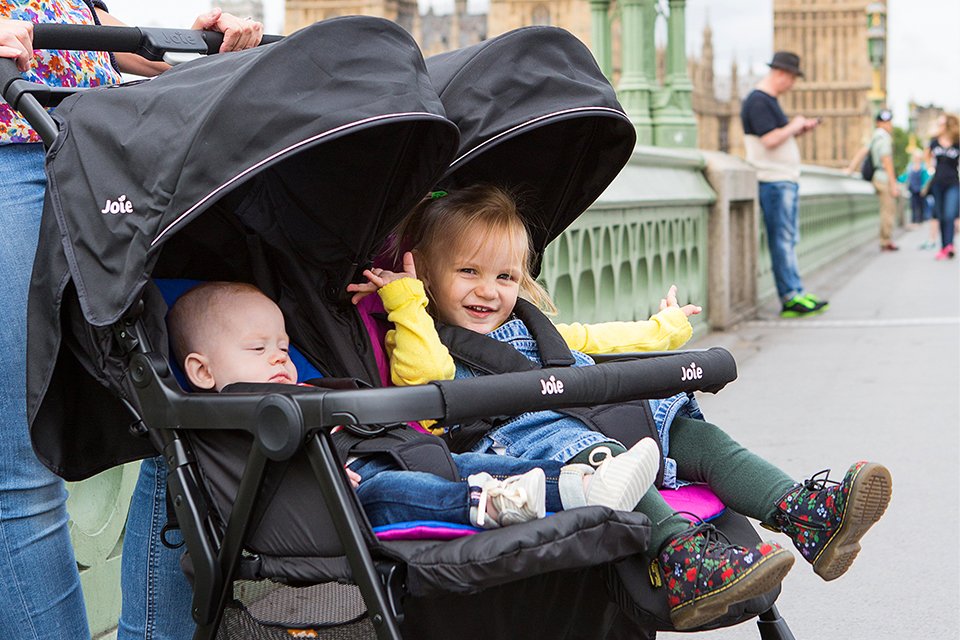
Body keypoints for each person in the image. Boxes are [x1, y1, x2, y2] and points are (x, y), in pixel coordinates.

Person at [347, 184, 893, 630]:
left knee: (691, 433)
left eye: (505, 277)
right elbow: (425, 377)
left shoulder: (531, 327)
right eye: (468, 272)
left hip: (597, 411)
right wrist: (407, 301)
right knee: (601, 454)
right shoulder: (424, 336)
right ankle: (680, 559)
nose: (488, 291)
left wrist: (663, 329)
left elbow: (599, 339)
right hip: (526, 439)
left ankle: (803, 512)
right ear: (427, 273)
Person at [0, 5, 261, 640]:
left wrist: (199, 48)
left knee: (182, 423)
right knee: (23, 473)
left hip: (102, 146)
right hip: (11, 149)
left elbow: (98, 34)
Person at [165, 280, 661, 531]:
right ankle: (493, 503)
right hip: (350, 495)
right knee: (402, 490)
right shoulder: (228, 414)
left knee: (479, 465)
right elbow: (247, 474)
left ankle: (582, 482)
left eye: (282, 345)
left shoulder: (307, 387)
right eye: (258, 349)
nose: (279, 357)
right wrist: (308, 471)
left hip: (403, 449)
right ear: (203, 372)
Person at [740, 51, 828, 318]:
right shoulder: (758, 100)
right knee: (782, 240)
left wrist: (798, 129)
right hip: (773, 180)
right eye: (792, 78)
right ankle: (790, 296)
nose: (792, 84)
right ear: (780, 73)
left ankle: (796, 290)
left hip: (783, 179)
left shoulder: (769, 101)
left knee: (788, 239)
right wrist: (794, 125)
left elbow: (776, 136)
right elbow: (769, 139)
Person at [846, 109, 901, 251]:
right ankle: (885, 240)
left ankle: (885, 239)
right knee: (888, 210)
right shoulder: (885, 138)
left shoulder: (874, 136)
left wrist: (851, 168)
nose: (889, 125)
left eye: (889, 122)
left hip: (876, 176)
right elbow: (886, 160)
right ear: (879, 123)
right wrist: (893, 184)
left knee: (885, 209)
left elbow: (862, 151)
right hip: (883, 177)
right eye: (885, 122)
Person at [925, 113, 959, 260]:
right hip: (937, 183)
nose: (940, 125)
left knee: (950, 214)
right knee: (941, 216)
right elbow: (927, 155)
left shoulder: (957, 142)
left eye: (942, 123)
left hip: (953, 183)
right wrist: (929, 168)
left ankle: (949, 245)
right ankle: (944, 247)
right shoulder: (934, 142)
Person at [898, 150, 932, 239]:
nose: (915, 159)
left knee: (921, 206)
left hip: (921, 190)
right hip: (913, 190)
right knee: (913, 205)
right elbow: (905, 177)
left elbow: (927, 178)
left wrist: (924, 188)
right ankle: (914, 222)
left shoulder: (923, 167)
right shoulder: (910, 167)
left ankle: (921, 221)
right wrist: (897, 180)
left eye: (917, 157)